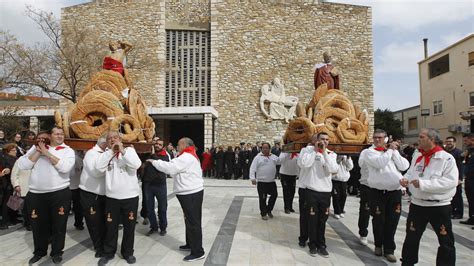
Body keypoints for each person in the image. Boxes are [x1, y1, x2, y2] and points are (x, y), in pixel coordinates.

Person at [399, 128, 458, 266]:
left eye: (422, 137)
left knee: (445, 240)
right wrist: (404, 179)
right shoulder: (418, 156)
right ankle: (407, 263)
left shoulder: (446, 158)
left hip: (438, 206)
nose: (418, 139)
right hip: (418, 205)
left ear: (431, 139)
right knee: (411, 238)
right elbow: (411, 173)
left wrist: (424, 184)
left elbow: (450, 181)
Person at [17, 127, 75, 264]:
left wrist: (46, 153)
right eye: (56, 134)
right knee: (38, 225)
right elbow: (23, 165)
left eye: (61, 134)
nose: (60, 136)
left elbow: (65, 168)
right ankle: (39, 252)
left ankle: (56, 252)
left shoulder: (67, 150)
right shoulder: (36, 147)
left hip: (59, 193)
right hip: (36, 194)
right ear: (51, 135)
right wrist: (38, 152)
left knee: (58, 226)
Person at [149, 137, 205, 262]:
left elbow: (170, 168)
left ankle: (198, 252)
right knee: (189, 220)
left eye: (179, 144)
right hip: (189, 192)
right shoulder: (187, 155)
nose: (177, 146)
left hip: (191, 193)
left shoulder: (186, 157)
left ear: (185, 145)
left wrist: (154, 162)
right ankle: (190, 244)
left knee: (193, 222)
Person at [96, 130, 141, 265]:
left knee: (129, 227)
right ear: (107, 141)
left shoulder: (129, 151)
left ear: (121, 139)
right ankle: (108, 252)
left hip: (130, 197)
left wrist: (122, 151)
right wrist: (111, 152)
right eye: (110, 138)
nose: (113, 140)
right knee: (111, 227)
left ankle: (128, 252)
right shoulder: (105, 154)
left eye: (116, 137)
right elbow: (98, 168)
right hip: (112, 198)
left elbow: (136, 165)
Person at [364, 129, 409, 263]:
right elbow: (379, 164)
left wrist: (394, 152)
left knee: (392, 221)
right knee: (378, 220)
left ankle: (389, 249)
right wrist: (389, 150)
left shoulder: (391, 152)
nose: (378, 140)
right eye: (375, 138)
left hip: (394, 192)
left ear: (386, 139)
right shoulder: (369, 152)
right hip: (377, 192)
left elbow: (404, 165)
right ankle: (378, 245)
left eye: (381, 138)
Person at [297, 132, 338, 257]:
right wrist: (315, 151)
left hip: (325, 192)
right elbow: (304, 165)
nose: (324, 142)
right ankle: (312, 244)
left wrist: (324, 152)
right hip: (311, 191)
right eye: (321, 139)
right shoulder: (307, 152)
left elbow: (333, 169)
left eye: (326, 140)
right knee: (312, 219)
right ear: (316, 140)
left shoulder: (331, 154)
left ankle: (322, 245)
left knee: (322, 220)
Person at [79, 136, 108, 258]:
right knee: (94, 222)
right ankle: (98, 247)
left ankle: (106, 244)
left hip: (105, 193)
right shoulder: (91, 154)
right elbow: (96, 172)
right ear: (104, 143)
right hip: (90, 193)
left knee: (105, 222)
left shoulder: (107, 153)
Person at [142, 138, 170, 236]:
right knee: (149, 208)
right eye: (156, 144)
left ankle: (163, 227)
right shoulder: (148, 154)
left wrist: (153, 155)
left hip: (160, 185)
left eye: (159, 144)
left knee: (162, 207)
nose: (157, 145)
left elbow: (161, 165)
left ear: (163, 147)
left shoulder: (165, 156)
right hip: (148, 185)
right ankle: (153, 226)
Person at [249, 142, 280, 220]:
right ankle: (263, 213)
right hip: (262, 182)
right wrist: (252, 178)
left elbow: (280, 161)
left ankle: (269, 210)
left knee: (274, 195)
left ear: (269, 149)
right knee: (263, 198)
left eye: (267, 148)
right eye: (263, 148)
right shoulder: (258, 157)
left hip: (271, 181)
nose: (265, 149)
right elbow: (253, 168)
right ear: (261, 149)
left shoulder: (273, 157)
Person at [0, 143, 20, 229]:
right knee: (7, 203)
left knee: (14, 201)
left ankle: (13, 218)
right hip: (8, 184)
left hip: (13, 183)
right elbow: (7, 168)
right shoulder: (6, 158)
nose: (15, 151)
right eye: (13, 150)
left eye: (15, 150)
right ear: (8, 151)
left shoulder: (14, 158)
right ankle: (4, 221)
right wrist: (8, 170)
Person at [444, 136, 463, 219]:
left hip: (456, 178)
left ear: (454, 142)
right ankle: (451, 212)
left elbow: (461, 166)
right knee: (450, 195)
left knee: (457, 196)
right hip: (447, 178)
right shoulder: (445, 152)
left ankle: (458, 213)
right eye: (447, 141)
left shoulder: (458, 152)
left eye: (450, 142)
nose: (448, 143)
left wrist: (460, 178)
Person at [358, 146, 371, 246]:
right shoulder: (366, 152)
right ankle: (363, 233)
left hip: (380, 187)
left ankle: (381, 240)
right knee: (365, 211)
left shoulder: (387, 152)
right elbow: (361, 164)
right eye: (376, 137)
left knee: (380, 215)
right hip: (367, 185)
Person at [461, 133, 474, 226]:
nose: (465, 142)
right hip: (468, 178)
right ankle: (472, 218)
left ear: (472, 139)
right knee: (470, 199)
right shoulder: (469, 150)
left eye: (466, 140)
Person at [70, 151, 84, 230]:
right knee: (78, 207)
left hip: (75, 184)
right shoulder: (76, 157)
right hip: (74, 185)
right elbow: (81, 168)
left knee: (78, 207)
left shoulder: (77, 157)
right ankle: (79, 223)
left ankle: (79, 223)